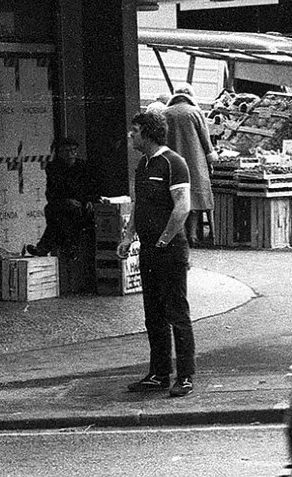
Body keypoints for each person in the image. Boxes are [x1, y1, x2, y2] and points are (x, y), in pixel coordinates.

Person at [119, 107, 196, 398]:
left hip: (170, 249)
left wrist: (164, 240)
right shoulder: (143, 164)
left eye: (135, 131)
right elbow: (139, 205)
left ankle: (185, 376)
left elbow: (182, 207)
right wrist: (128, 237)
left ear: (148, 133)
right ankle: (159, 373)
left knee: (177, 312)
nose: (130, 135)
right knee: (153, 313)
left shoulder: (173, 163)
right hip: (149, 250)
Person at [163, 85, 215, 245]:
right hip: (194, 162)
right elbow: (205, 139)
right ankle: (192, 235)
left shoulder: (165, 113)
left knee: (176, 198)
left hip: (171, 161)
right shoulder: (195, 112)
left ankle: (180, 235)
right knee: (195, 198)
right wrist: (211, 155)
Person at [31, 138, 95, 257]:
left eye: (73, 150)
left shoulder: (83, 166)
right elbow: (51, 193)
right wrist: (67, 201)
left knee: (72, 216)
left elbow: (91, 187)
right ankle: (65, 247)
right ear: (59, 152)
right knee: (56, 213)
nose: (71, 154)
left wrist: (89, 200)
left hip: (83, 205)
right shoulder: (54, 168)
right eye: (66, 151)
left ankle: (45, 247)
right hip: (64, 204)